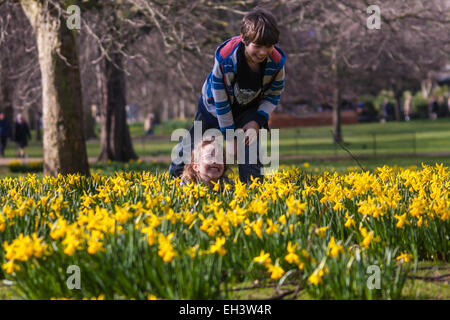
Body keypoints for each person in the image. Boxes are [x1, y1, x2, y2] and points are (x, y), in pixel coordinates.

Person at [169, 8, 286, 183]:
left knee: (249, 148)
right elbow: (220, 99)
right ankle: (172, 186)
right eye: (258, 46)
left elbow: (273, 95)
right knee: (190, 147)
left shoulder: (276, 64)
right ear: (244, 39)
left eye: (268, 46)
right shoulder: (225, 58)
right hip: (213, 107)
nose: (263, 52)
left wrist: (257, 120)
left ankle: (252, 192)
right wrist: (230, 137)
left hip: (247, 109)